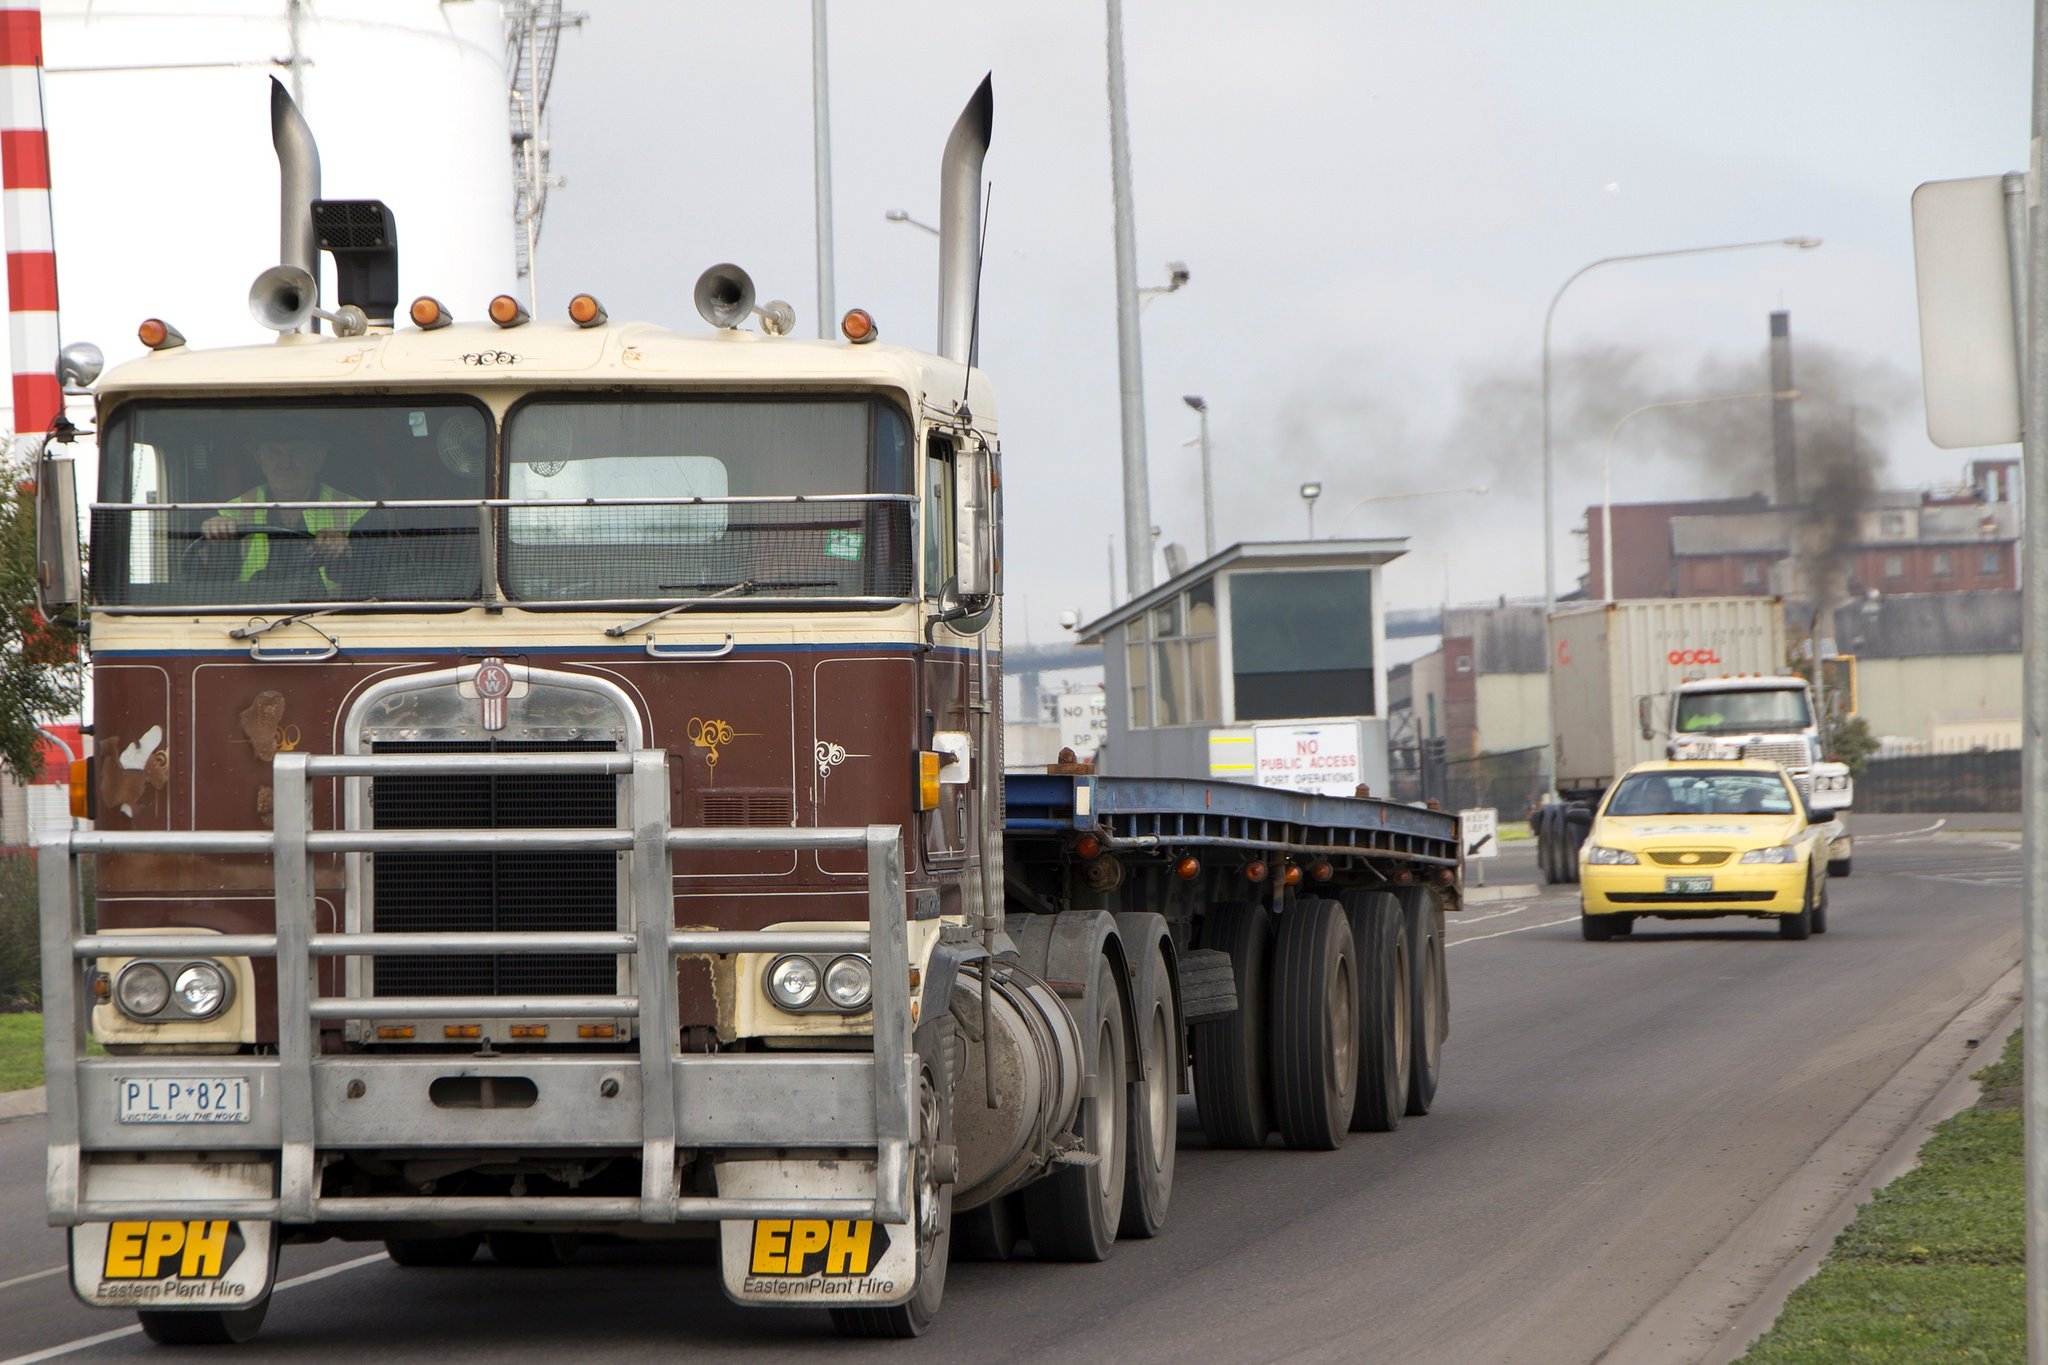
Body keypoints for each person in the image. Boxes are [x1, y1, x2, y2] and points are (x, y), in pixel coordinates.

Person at [202, 433, 366, 594]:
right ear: (260, 461)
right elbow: (209, 580)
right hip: (247, 613)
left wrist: (343, 550)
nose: (285, 463)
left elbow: (367, 581)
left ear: (318, 459)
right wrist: (216, 539)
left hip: (330, 616)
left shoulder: (357, 510)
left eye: (296, 452)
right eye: (275, 452)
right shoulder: (233, 510)